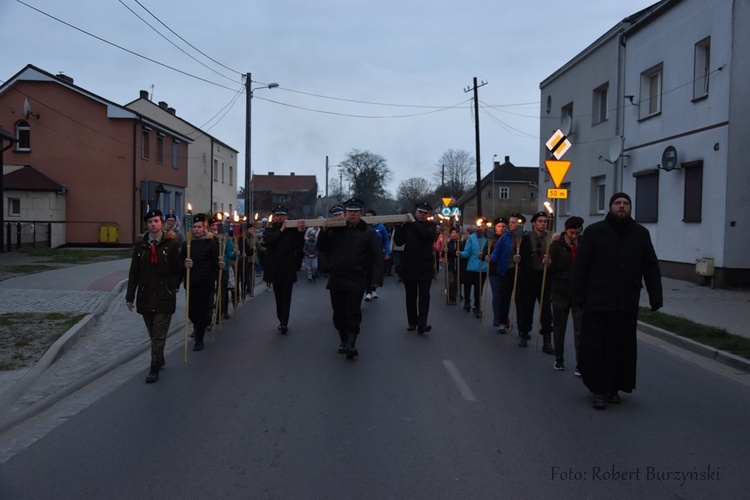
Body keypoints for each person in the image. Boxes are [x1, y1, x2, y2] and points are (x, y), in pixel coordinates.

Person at [572, 193, 662, 409]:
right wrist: (578, 296)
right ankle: (598, 389)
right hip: (598, 301)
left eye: (626, 203)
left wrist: (655, 296)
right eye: (617, 203)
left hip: (625, 301)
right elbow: (581, 267)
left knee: (621, 347)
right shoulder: (594, 232)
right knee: (596, 347)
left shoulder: (640, 234)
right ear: (610, 207)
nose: (622, 207)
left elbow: (650, 266)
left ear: (630, 208)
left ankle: (613, 388)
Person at [317, 198, 384, 358]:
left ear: (361, 213)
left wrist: (376, 278)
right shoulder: (337, 229)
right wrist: (324, 232)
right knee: (338, 312)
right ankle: (343, 339)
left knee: (353, 311)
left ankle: (352, 342)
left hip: (357, 278)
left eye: (355, 212)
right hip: (337, 278)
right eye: (349, 212)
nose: (352, 214)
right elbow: (323, 247)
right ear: (346, 213)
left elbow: (376, 256)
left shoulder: (368, 232)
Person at [126, 209, 183, 383]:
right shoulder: (140, 246)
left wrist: (174, 284)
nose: (153, 224)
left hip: (164, 295)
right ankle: (159, 356)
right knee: (153, 332)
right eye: (150, 222)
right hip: (145, 295)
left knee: (159, 333)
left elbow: (177, 269)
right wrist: (130, 296)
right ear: (147, 225)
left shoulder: (170, 244)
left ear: (162, 223)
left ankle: (153, 367)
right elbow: (134, 272)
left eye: (156, 221)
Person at [547, 216, 584, 373]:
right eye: (571, 233)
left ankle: (580, 364)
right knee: (559, 327)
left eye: (577, 233)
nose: (574, 236)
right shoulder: (556, 246)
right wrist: (548, 264)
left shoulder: (584, 243)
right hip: (560, 292)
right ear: (565, 230)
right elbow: (551, 270)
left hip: (579, 292)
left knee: (580, 330)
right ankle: (559, 358)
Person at [182, 213, 223, 352]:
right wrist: (184, 263)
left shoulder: (211, 242)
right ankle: (198, 325)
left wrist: (219, 265)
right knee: (191, 311)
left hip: (206, 281)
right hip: (191, 281)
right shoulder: (187, 243)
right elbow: (179, 262)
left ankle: (198, 340)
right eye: (194, 227)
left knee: (202, 310)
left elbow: (214, 262)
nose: (196, 229)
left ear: (204, 227)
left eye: (199, 227)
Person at [394, 201, 436, 334]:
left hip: (425, 266)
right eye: (420, 212)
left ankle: (422, 324)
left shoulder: (431, 226)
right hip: (409, 265)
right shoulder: (408, 226)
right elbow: (399, 242)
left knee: (424, 297)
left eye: (424, 213)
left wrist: (413, 222)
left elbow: (425, 235)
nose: (422, 215)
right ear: (416, 212)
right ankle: (412, 322)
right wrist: (399, 227)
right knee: (411, 296)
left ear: (429, 214)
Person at [262, 205, 305, 334]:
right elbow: (269, 241)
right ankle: (281, 318)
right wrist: (281, 230)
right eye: (278, 215)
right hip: (275, 270)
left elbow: (298, 246)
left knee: (286, 298)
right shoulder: (269, 230)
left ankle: (284, 322)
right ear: (274, 217)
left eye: (283, 215)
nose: (280, 217)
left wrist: (300, 232)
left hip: (288, 269)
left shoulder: (292, 231)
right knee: (278, 298)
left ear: (286, 216)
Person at [515, 211, 554, 352]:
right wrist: (517, 259)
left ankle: (547, 340)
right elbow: (520, 255)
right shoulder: (526, 238)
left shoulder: (550, 238)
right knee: (527, 307)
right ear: (534, 223)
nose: (543, 224)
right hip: (529, 277)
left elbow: (554, 258)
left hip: (544, 276)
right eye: (540, 221)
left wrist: (550, 262)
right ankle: (524, 334)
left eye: (544, 221)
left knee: (546, 310)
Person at [490, 213, 524, 334]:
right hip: (507, 270)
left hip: (520, 272)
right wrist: (492, 257)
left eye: (514, 223)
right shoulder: (505, 237)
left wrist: (521, 258)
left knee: (520, 300)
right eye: (510, 222)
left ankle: (522, 328)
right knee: (505, 298)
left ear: (520, 224)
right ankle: (502, 322)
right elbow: (497, 251)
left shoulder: (524, 237)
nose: (511, 225)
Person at [459, 220, 489, 318]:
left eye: (483, 226)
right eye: (480, 226)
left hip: (482, 268)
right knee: (467, 286)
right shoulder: (471, 237)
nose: (481, 228)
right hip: (471, 267)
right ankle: (467, 302)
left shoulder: (489, 238)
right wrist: (461, 254)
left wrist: (485, 256)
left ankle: (477, 307)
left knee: (478, 290)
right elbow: (467, 252)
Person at [210, 214, 236, 321]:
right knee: (211, 292)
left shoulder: (225, 238)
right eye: (213, 225)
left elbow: (230, 252)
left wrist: (234, 254)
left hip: (223, 268)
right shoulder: (208, 237)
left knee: (222, 291)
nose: (215, 227)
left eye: (217, 225)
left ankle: (220, 312)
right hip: (210, 268)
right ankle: (210, 313)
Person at [364, 209, 390, 301]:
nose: (368, 218)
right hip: (366, 253)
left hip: (378, 253)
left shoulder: (381, 227)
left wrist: (387, 252)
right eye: (366, 216)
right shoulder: (364, 227)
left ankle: (374, 290)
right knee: (367, 272)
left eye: (369, 216)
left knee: (376, 272)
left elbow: (386, 240)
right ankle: (368, 292)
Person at [486, 217, 508, 326]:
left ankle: (505, 316)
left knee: (505, 295)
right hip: (494, 270)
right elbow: (486, 252)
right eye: (499, 226)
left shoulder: (509, 238)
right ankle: (497, 316)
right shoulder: (491, 239)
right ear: (495, 228)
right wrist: (484, 256)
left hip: (506, 270)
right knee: (496, 294)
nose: (501, 228)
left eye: (503, 226)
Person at [443, 226, 460, 305]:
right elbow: (444, 255)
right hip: (451, 265)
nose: (454, 234)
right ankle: (450, 297)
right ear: (450, 234)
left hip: (459, 266)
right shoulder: (448, 244)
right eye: (453, 233)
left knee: (456, 282)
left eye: (456, 232)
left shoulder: (460, 243)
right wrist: (445, 251)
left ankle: (454, 297)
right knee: (451, 281)